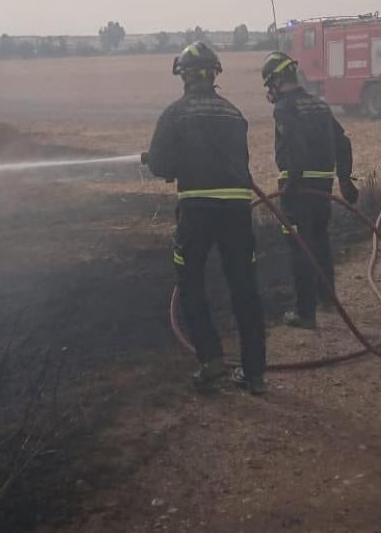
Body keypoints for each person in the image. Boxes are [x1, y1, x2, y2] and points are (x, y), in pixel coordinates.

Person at [146, 42, 268, 395]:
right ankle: (255, 373)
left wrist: (176, 165)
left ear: (184, 76)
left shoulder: (175, 113)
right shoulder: (234, 113)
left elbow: (158, 164)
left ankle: (211, 360)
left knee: (190, 282)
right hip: (236, 210)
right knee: (245, 288)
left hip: (197, 210)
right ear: (214, 74)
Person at [260, 52, 357, 330]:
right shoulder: (319, 105)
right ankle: (328, 298)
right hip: (323, 187)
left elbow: (294, 144)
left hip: (298, 188)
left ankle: (305, 312)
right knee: (320, 240)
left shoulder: (284, 109)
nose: (270, 91)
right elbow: (343, 143)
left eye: (270, 84)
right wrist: (345, 180)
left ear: (278, 80)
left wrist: (292, 180)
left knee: (299, 247)